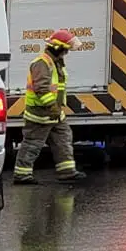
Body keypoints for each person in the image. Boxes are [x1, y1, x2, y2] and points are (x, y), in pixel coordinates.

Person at [13, 28, 78, 182]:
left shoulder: (55, 63)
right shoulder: (42, 63)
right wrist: (53, 107)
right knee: (33, 143)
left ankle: (67, 171)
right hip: (40, 113)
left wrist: (57, 109)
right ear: (57, 48)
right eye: (65, 50)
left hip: (54, 113)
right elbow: (41, 89)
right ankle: (22, 174)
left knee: (63, 139)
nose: (66, 54)